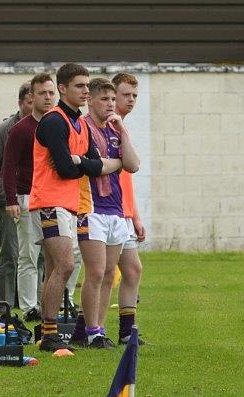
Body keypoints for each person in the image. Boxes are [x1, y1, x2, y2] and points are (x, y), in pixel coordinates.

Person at [30, 63, 120, 352]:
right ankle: (49, 333)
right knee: (66, 265)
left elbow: (92, 166)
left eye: (86, 85)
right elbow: (67, 170)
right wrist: (81, 163)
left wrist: (79, 161)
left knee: (58, 267)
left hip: (68, 204)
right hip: (49, 202)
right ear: (63, 88)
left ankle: (48, 332)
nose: (85, 90)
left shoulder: (80, 123)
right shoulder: (54, 121)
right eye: (79, 86)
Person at [74, 78, 140, 348]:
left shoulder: (116, 129)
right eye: (105, 99)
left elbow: (132, 164)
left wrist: (123, 132)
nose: (111, 105)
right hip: (90, 207)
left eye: (113, 100)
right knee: (96, 272)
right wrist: (114, 164)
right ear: (90, 100)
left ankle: (98, 329)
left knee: (111, 273)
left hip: (115, 209)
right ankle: (90, 331)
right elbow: (90, 165)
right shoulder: (83, 128)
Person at [3, 74, 55, 322]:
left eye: (50, 93)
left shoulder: (58, 125)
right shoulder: (20, 130)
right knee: (28, 255)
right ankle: (29, 306)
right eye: (42, 93)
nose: (47, 97)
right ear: (31, 97)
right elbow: (8, 166)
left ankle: (58, 301)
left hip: (54, 199)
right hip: (26, 197)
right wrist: (11, 200)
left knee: (60, 255)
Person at [0, 83, 32, 311]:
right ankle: (4, 306)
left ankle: (32, 303)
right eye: (30, 101)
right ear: (20, 103)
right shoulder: (1, 132)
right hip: (7, 203)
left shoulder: (45, 130)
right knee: (10, 253)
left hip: (36, 202)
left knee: (35, 256)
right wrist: (6, 199)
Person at [111, 72, 145, 345]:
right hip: (106, 211)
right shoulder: (107, 126)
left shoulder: (123, 128)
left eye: (134, 95)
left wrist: (135, 215)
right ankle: (86, 329)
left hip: (124, 212)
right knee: (102, 273)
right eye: (126, 95)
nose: (131, 100)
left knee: (132, 270)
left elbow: (128, 179)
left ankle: (126, 331)